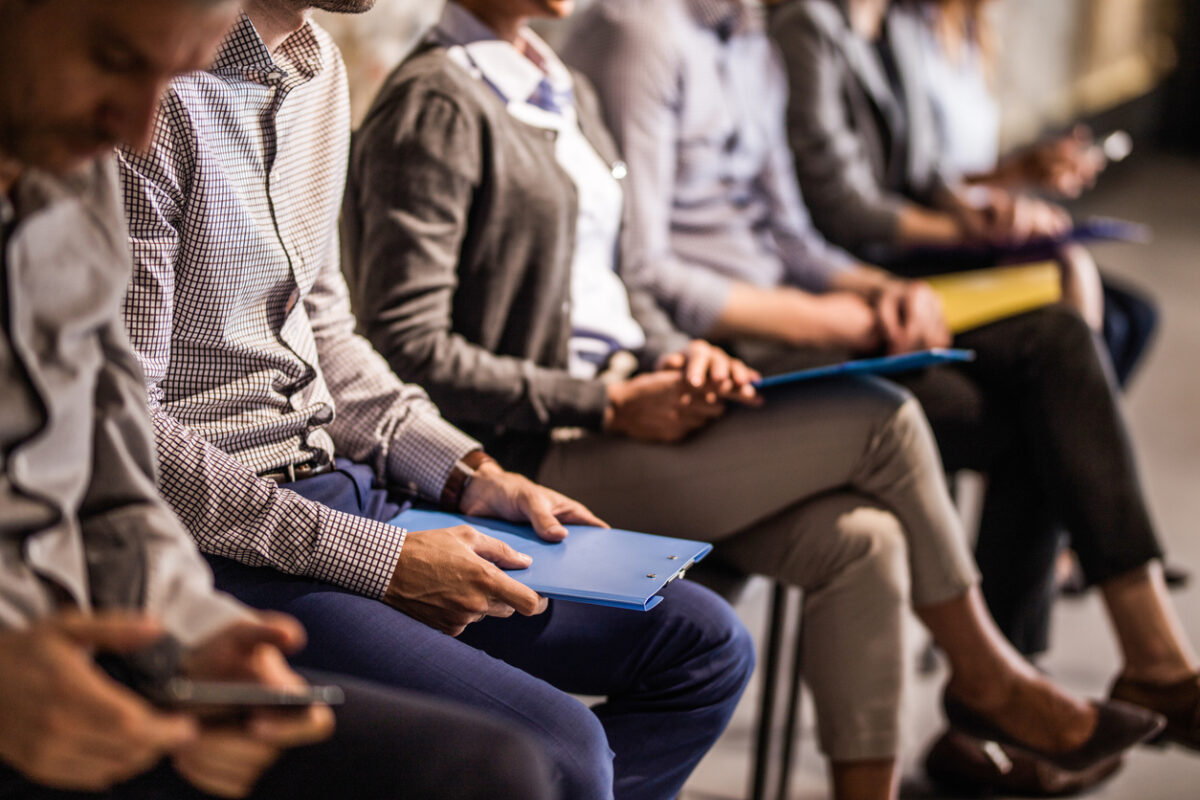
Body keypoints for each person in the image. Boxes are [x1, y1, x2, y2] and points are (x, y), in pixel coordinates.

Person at [341, 2, 1166, 798]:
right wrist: (607, 401)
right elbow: (405, 345)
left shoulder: (561, 81)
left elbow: (624, 287)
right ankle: (987, 673)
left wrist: (683, 354)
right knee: (886, 420)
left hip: (631, 395)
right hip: (535, 448)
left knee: (865, 541)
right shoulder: (437, 100)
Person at [116, 2, 756, 798]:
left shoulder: (319, 67)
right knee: (564, 751)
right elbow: (128, 431)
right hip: (226, 543)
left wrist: (468, 471)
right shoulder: (152, 92)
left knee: (705, 643)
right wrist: (380, 562)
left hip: (342, 487)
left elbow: (327, 332)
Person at [567, 0, 1200, 754]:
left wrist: (876, 290)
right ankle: (1029, 695)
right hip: (726, 348)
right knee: (1044, 406)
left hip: (795, 307)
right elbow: (647, 270)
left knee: (1059, 347)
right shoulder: (645, 32)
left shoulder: (747, 35)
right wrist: (838, 320)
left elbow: (796, 237)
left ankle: (1094, 673)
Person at [0, 1, 557, 799]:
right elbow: (149, 451)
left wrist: (204, 641)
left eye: (176, 78)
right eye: (116, 59)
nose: (142, 129)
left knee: (540, 745)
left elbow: (112, 479)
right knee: (511, 763)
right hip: (118, 601)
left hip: (127, 606)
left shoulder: (73, 185)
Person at [774, 0, 1157, 388]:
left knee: (1108, 294)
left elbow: (926, 166)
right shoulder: (807, 25)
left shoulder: (898, 22)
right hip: (864, 257)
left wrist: (978, 214)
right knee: (1066, 310)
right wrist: (968, 231)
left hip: (913, 240)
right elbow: (843, 208)